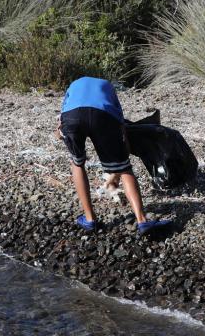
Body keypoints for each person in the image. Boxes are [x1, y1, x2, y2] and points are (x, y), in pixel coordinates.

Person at [57, 76, 173, 234]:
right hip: (103, 115)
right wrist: (124, 152)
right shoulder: (107, 86)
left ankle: (90, 220)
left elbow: (61, 121)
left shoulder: (73, 85)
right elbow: (120, 123)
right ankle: (142, 221)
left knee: (77, 163)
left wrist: (62, 133)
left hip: (72, 116)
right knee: (125, 169)